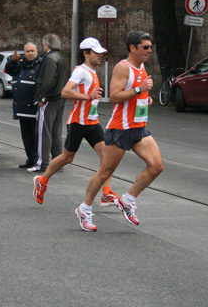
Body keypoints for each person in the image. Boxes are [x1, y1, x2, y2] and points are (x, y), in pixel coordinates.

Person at [75, 31, 164, 232]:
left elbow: (134, 95)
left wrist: (144, 99)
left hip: (138, 127)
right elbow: (114, 96)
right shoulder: (123, 67)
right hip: (120, 128)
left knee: (156, 166)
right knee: (105, 172)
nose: (149, 50)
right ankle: (85, 208)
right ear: (133, 48)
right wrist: (140, 90)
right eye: (145, 47)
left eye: (150, 47)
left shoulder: (142, 66)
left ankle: (127, 200)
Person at [33, 38, 119, 206]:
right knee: (67, 158)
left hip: (92, 122)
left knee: (107, 156)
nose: (100, 56)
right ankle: (42, 181)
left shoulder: (92, 71)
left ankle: (107, 193)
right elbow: (65, 92)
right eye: (97, 53)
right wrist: (88, 96)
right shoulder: (81, 71)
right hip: (78, 123)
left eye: (101, 53)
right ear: (86, 53)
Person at [29, 33, 69, 173]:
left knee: (43, 132)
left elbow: (48, 80)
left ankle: (43, 163)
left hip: (50, 98)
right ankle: (57, 162)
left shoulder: (50, 58)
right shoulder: (62, 58)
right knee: (56, 131)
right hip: (60, 97)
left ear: (47, 44)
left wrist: (42, 97)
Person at [4, 42, 42, 168]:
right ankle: (30, 158)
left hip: (33, 107)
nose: (30, 53)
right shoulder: (21, 65)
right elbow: (10, 70)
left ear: (37, 52)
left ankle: (37, 159)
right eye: (27, 51)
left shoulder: (40, 65)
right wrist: (13, 61)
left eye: (32, 51)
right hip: (21, 107)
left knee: (35, 136)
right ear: (24, 53)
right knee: (26, 136)